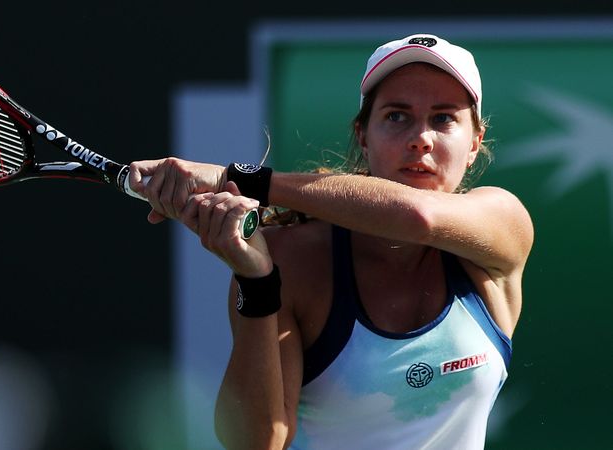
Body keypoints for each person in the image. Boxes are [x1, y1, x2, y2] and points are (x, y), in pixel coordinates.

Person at [129, 34, 533, 450]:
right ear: (363, 136)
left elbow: (419, 217)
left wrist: (237, 179)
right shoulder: (290, 259)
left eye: (443, 118)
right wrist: (257, 283)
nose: (421, 138)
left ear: (474, 142)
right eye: (397, 116)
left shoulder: (503, 223)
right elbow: (256, 442)